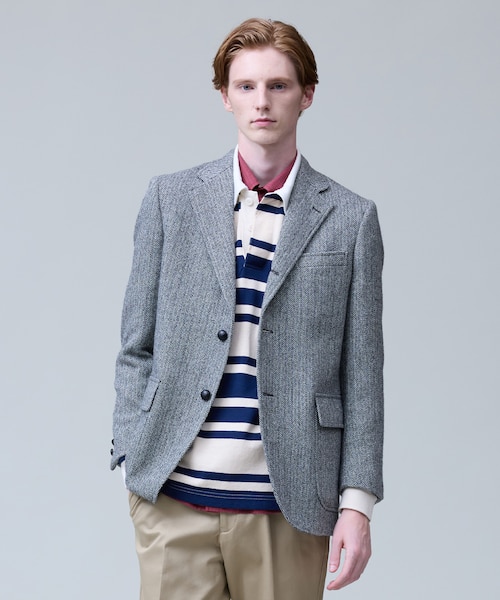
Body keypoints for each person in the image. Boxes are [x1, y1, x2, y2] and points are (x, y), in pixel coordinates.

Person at [111, 17, 384, 600]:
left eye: (279, 85)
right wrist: (133, 453)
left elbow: (362, 375)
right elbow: (136, 344)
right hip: (173, 502)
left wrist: (357, 504)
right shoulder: (170, 200)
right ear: (225, 96)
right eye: (246, 86)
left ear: (307, 95)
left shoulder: (351, 219)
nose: (262, 101)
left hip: (290, 507)